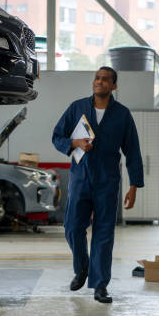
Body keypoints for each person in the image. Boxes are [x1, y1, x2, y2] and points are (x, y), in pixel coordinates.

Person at [51, 66, 144, 303]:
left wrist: (134, 186)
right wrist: (75, 143)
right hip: (81, 177)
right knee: (72, 227)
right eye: (97, 78)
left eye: (105, 80)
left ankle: (100, 285)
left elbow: (132, 151)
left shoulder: (122, 114)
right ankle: (82, 268)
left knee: (104, 234)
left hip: (107, 180)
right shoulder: (77, 108)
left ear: (113, 86)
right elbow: (57, 136)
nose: (99, 82)